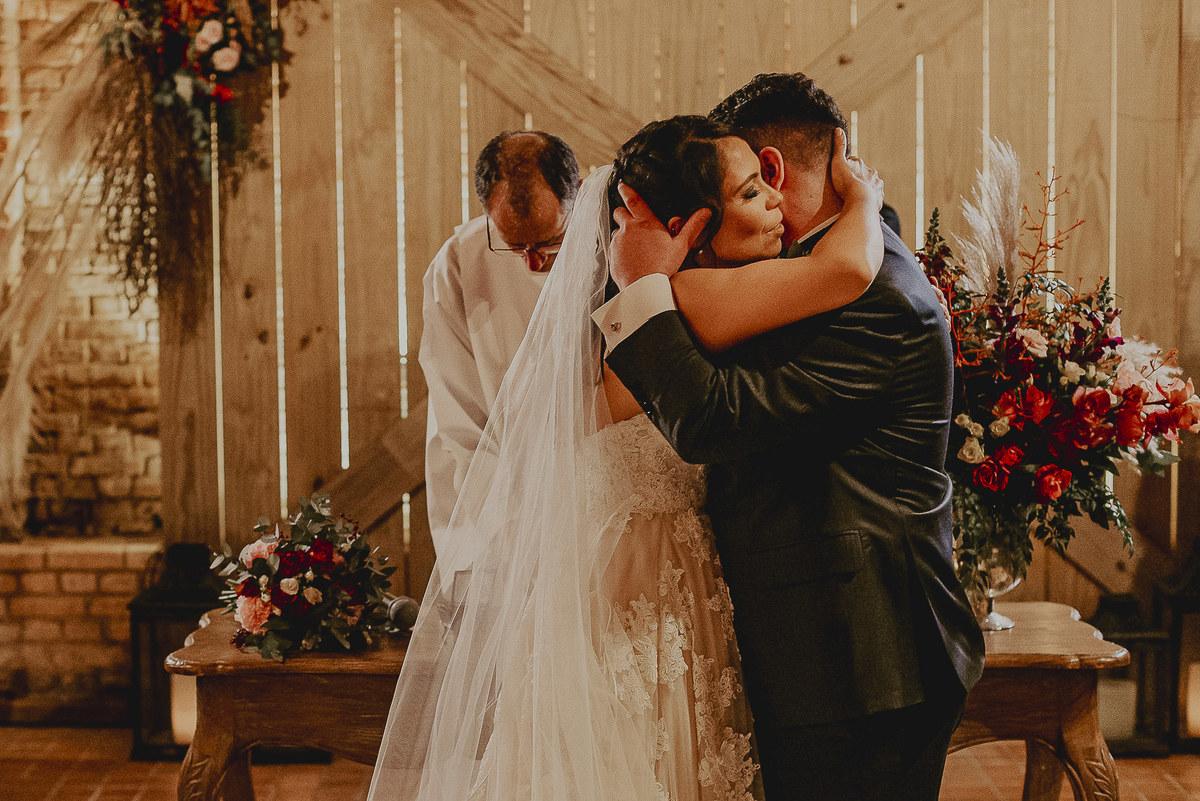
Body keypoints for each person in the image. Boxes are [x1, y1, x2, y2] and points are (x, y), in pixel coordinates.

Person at [367, 115, 886, 801]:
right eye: (752, 191)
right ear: (694, 225)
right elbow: (844, 269)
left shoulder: (634, 304)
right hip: (640, 578)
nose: (775, 205)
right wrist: (866, 201)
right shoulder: (685, 301)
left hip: (635, 561)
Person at [598, 73, 986, 800]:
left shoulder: (875, 299)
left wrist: (645, 287)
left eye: (744, 184)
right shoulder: (812, 272)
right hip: (812, 655)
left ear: (771, 167)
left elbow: (711, 420)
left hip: (860, 665)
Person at [420, 130, 578, 568]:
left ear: (577, 197)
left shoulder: (616, 243)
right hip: (497, 488)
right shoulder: (457, 264)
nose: (532, 261)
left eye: (548, 242)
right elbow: (459, 408)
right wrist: (509, 524)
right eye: (513, 243)